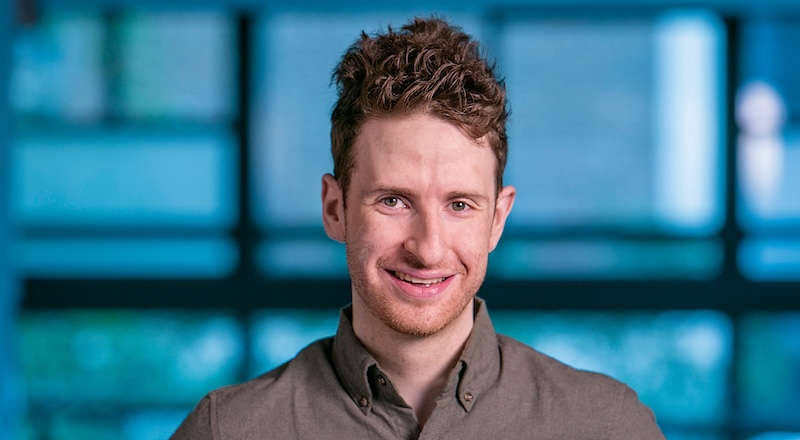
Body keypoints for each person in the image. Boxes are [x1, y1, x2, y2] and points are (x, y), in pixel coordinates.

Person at [172, 16, 665, 439]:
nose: (428, 250)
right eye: (393, 201)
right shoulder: (229, 429)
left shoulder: (606, 426)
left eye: (460, 205)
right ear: (334, 208)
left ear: (498, 219)